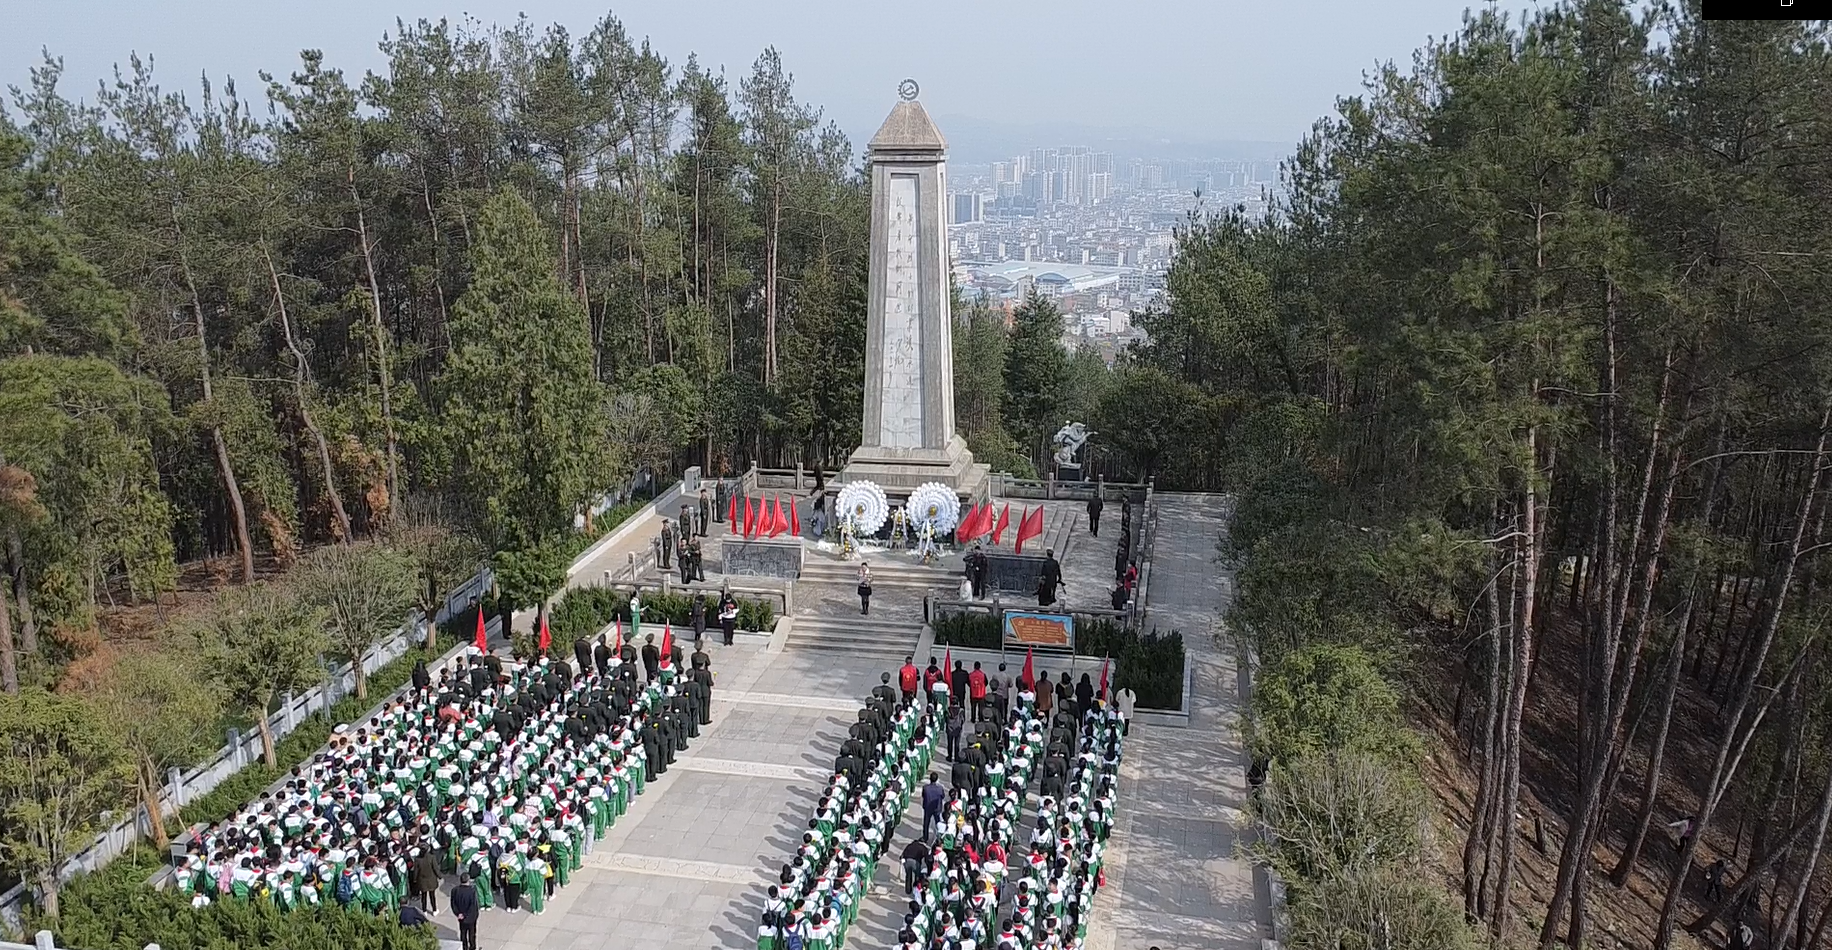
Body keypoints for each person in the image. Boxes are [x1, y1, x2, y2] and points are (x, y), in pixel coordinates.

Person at [452, 874, 479, 950]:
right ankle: (472, 947)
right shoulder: (472, 891)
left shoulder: (455, 890)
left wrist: (458, 913)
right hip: (471, 917)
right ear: (468, 880)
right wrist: (465, 914)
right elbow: (472, 906)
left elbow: (453, 904)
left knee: (463, 933)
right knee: (472, 934)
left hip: (461, 918)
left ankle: (464, 947)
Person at [411, 845, 441, 913]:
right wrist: (439, 876)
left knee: (423, 896)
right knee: (432, 896)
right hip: (431, 880)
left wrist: (415, 879)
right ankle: (434, 910)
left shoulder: (417, 859)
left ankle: (424, 910)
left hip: (422, 881)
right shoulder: (432, 857)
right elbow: (435, 869)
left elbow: (416, 871)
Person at [921, 772, 946, 840]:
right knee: (938, 823)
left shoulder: (925, 788)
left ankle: (925, 837)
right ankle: (939, 837)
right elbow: (943, 796)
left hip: (927, 807)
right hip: (937, 807)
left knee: (926, 823)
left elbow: (923, 795)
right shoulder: (940, 788)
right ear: (937, 779)